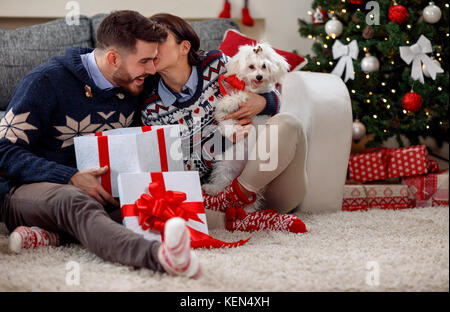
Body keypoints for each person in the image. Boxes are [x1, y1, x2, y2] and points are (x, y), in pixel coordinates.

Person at [0, 10, 201, 278]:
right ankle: (159, 258)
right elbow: (4, 150)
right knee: (74, 202)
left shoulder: (137, 79)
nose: (153, 69)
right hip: (29, 192)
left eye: (153, 60)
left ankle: (55, 236)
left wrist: (264, 101)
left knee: (152, 203)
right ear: (113, 58)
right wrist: (69, 176)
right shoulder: (46, 82)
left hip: (102, 193)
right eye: (144, 61)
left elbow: (206, 73)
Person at [140, 13, 308, 233]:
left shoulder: (217, 63)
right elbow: (176, 169)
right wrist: (223, 138)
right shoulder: (151, 108)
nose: (153, 48)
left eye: (160, 40)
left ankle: (237, 200)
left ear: (184, 47)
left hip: (270, 182)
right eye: (148, 42)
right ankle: (241, 212)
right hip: (213, 194)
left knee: (288, 123)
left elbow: (269, 92)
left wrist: (261, 102)